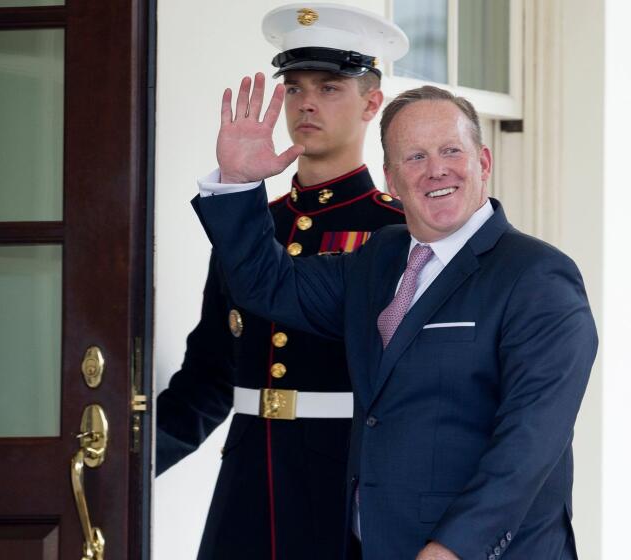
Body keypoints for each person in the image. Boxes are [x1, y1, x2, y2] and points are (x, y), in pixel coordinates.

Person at [191, 82, 597, 559]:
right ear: (389, 178)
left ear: (483, 162)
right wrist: (239, 185)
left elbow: (530, 443)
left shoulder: (536, 275)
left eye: (451, 151)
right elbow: (268, 286)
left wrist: (452, 549)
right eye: (415, 157)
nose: (436, 170)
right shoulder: (378, 258)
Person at [156, 4, 408, 559]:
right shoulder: (250, 223)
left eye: (330, 86)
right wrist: (124, 466)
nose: (307, 103)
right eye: (294, 88)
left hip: (346, 485)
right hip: (248, 484)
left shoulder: (395, 231)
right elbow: (209, 375)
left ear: (372, 102)